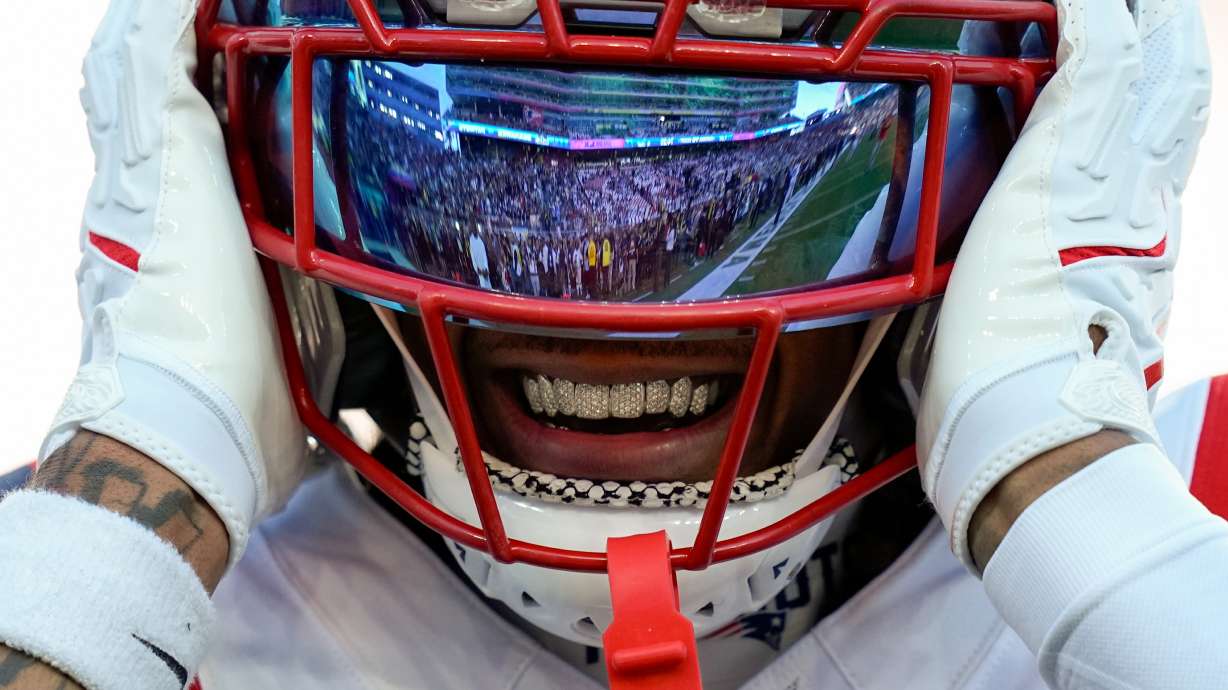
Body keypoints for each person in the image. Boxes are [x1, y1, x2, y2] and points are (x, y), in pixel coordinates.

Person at [0, 1, 1225, 690]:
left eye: (729, 158)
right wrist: (117, 536)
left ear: (1030, 155)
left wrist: (1072, 501)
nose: (603, 304)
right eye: (468, 162)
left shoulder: (1198, 487)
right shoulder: (70, 582)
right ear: (249, 150)